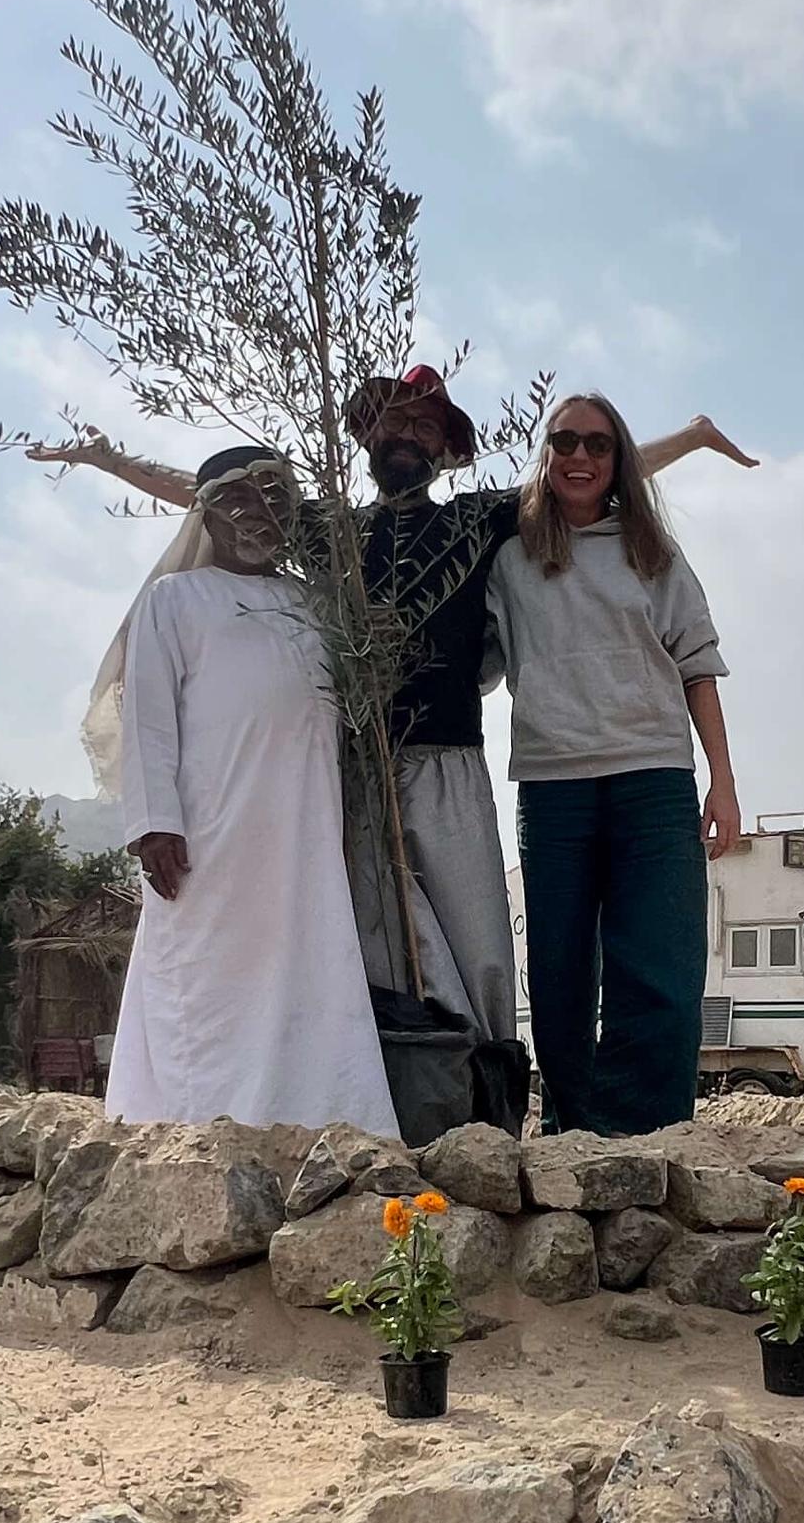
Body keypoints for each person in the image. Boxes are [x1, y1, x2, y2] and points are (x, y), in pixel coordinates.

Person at [40, 381, 750, 1048]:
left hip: (450, 765)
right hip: (353, 773)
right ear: (366, 435)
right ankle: (393, 1096)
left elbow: (586, 472)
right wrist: (108, 459)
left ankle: (487, 1086)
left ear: (445, 450)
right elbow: (213, 493)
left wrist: (687, 440)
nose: (407, 435)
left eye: (424, 425)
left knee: (479, 943)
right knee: (369, 944)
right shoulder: (329, 533)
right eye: (394, 421)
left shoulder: (477, 523)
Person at [103, 446, 399, 1133]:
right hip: (209, 835)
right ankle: (198, 1127)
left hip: (303, 834)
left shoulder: (314, 604)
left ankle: (316, 1122)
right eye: (242, 496)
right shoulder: (174, 599)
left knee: (308, 970)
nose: (260, 511)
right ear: (208, 511)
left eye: (276, 495)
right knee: (206, 982)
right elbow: (148, 714)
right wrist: (154, 822)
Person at [491, 393, 741, 1137]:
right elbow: (470, 659)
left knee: (659, 961)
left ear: (616, 459)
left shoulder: (651, 551)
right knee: (561, 971)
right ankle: (573, 1130)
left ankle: (648, 1134)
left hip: (653, 777)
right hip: (551, 784)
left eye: (597, 445)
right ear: (545, 451)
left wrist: (722, 781)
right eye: (564, 440)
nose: (579, 456)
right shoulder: (510, 557)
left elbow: (697, 662)